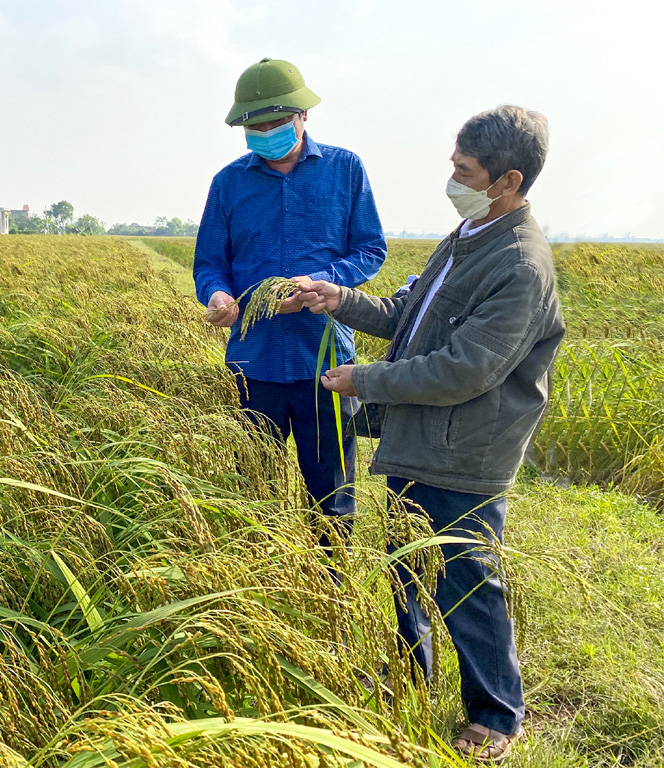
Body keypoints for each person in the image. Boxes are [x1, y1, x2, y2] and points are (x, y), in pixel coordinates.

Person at [299, 105, 564, 762]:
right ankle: (409, 678)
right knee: (408, 570)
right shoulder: (468, 233)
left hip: (465, 450)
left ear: (507, 179)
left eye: (464, 170)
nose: (452, 177)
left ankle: (497, 715)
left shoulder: (519, 266)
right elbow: (407, 314)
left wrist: (365, 381)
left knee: (467, 581)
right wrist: (340, 299)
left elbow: (465, 370)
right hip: (422, 439)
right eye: (453, 164)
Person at [192, 58, 386, 546]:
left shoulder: (345, 170)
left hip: (324, 362)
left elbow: (370, 249)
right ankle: (263, 591)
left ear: (303, 115)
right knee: (252, 495)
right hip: (252, 365)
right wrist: (217, 293)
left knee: (333, 500)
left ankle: (333, 596)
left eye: (275, 123)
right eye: (254, 127)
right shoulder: (228, 183)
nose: (265, 133)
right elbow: (209, 264)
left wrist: (321, 284)